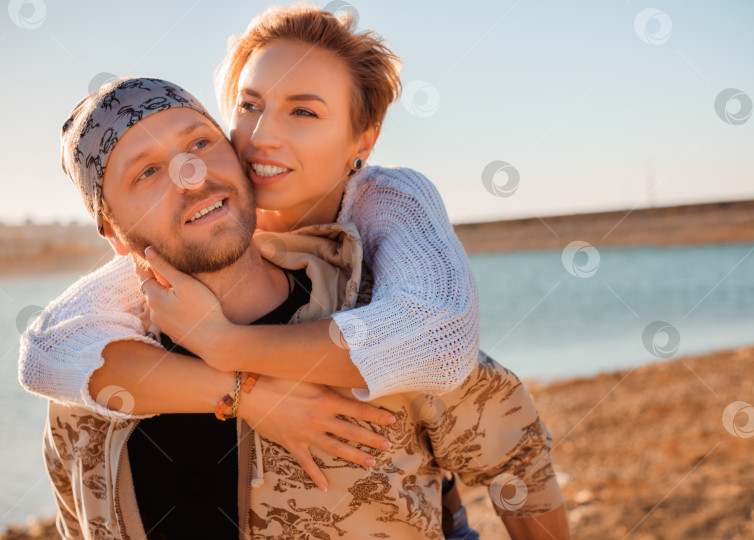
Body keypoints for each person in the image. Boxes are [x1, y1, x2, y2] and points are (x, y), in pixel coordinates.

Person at [43, 77, 570, 539]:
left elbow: (516, 457)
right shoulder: (89, 391)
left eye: (200, 142)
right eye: (146, 173)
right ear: (114, 232)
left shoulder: (376, 322)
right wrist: (242, 395)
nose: (191, 175)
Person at [20, 3, 480, 485]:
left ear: (363, 140)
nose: (263, 137)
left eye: (303, 111)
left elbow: (441, 336)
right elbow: (49, 348)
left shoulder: (386, 199)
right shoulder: (215, 217)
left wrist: (224, 342)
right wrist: (245, 394)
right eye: (250, 106)